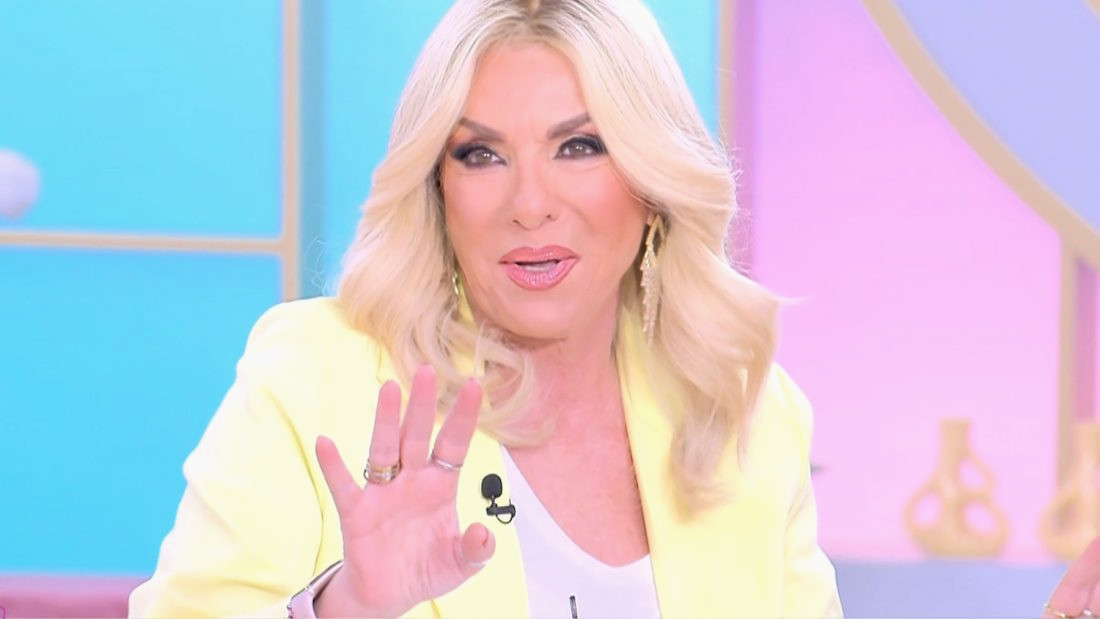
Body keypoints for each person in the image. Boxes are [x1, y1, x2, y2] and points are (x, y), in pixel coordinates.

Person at [126, 0, 1100, 617]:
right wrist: (340, 610)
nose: (529, 203)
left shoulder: (745, 418)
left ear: (650, 180)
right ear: (438, 187)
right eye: (481, 154)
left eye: (579, 146)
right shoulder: (317, 374)